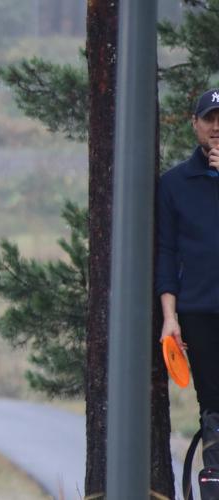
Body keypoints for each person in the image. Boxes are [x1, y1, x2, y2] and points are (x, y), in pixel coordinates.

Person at [157, 88, 219, 486]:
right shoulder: (175, 183)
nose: (217, 127)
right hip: (199, 311)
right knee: (212, 406)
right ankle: (213, 478)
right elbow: (165, 251)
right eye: (210, 118)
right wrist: (169, 319)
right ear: (195, 124)